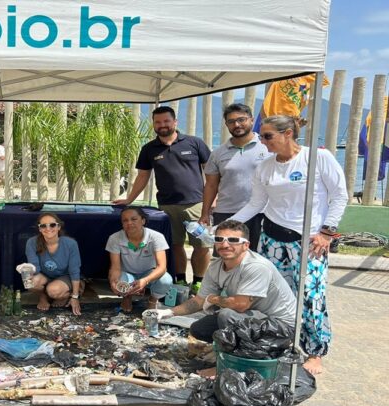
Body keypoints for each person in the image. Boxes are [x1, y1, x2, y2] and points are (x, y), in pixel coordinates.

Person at [227, 115, 348, 375]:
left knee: (310, 297)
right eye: (261, 136)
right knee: (274, 296)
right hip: (271, 238)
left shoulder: (318, 158)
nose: (263, 141)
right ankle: (282, 342)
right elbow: (255, 204)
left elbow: (340, 195)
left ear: (288, 133)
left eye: (268, 136)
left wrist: (327, 233)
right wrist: (226, 226)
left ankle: (316, 351)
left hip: (308, 241)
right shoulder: (265, 166)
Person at [155, 220, 297, 375]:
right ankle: (234, 350)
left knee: (227, 315)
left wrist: (214, 299)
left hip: (281, 327)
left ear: (246, 245)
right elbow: (198, 301)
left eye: (233, 240)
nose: (225, 245)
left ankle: (225, 366)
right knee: (199, 329)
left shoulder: (256, 267)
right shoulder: (216, 266)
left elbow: (240, 305)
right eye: (219, 240)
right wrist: (167, 313)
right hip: (256, 318)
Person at [114, 106, 212, 294]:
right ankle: (181, 280)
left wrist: (211, 201)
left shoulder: (194, 143)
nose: (162, 125)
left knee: (202, 245)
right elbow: (143, 176)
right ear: (154, 125)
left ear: (175, 122)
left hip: (197, 204)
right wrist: (129, 199)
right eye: (158, 122)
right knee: (175, 244)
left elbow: (211, 173)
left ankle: (199, 282)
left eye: (166, 121)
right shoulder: (149, 149)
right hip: (166, 207)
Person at [199, 103, 270, 250]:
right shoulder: (218, 153)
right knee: (226, 257)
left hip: (261, 213)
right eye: (231, 122)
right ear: (226, 124)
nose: (237, 124)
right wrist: (205, 213)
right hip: (226, 212)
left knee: (258, 258)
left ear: (251, 120)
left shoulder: (268, 147)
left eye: (241, 119)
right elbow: (211, 185)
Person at [106, 206, 173, 312]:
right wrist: (113, 282)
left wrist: (145, 281)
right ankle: (127, 297)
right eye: (125, 220)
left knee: (166, 280)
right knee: (119, 280)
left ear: (143, 220)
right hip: (127, 274)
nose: (129, 223)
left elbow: (162, 267)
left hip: (148, 273)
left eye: (134, 219)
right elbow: (115, 267)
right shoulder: (115, 238)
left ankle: (153, 299)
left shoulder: (156, 237)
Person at [25, 213, 82, 316]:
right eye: (43, 226)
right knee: (30, 282)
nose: (48, 228)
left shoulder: (70, 244)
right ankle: (43, 297)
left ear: (58, 227)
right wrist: (27, 271)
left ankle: (66, 296)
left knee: (54, 290)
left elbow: (74, 271)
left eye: (52, 225)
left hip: (64, 276)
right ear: (39, 229)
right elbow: (35, 267)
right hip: (45, 276)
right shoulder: (32, 242)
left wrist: (75, 296)